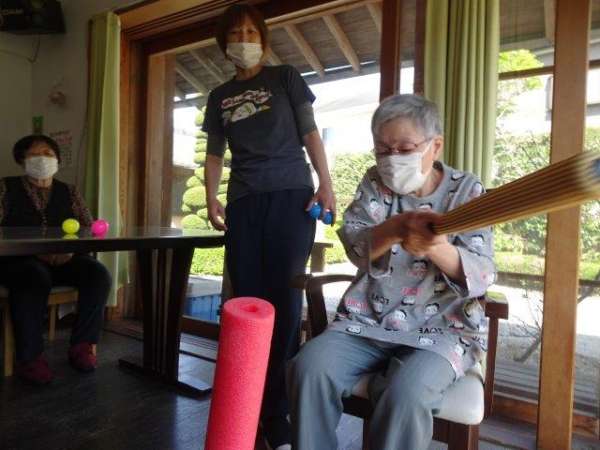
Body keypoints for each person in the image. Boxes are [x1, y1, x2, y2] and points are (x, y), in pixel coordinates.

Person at [287, 94, 496, 450]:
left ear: (435, 146)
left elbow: (482, 272)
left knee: (406, 395)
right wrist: (398, 227)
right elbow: (356, 247)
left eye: (404, 148)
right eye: (382, 150)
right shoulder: (374, 183)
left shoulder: (467, 190)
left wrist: (435, 246)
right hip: (367, 320)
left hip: (444, 329)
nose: (391, 159)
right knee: (308, 368)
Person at [201, 4, 335, 449]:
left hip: (290, 198)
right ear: (224, 44)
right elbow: (215, 153)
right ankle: (246, 403)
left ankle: (276, 411)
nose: (243, 39)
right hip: (243, 203)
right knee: (245, 302)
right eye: (235, 33)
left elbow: (310, 132)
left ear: (262, 38)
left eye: (250, 32)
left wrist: (326, 183)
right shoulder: (219, 95)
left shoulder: (285, 78)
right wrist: (211, 196)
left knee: (283, 302)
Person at [0, 134, 111, 385]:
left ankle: (82, 346)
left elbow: (87, 228)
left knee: (97, 274)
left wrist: (70, 251)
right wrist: (34, 251)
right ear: (22, 160)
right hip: (19, 262)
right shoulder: (5, 187)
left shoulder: (70, 191)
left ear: (58, 160)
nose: (42, 158)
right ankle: (29, 358)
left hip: (64, 259)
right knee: (34, 276)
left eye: (48, 154)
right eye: (34, 154)